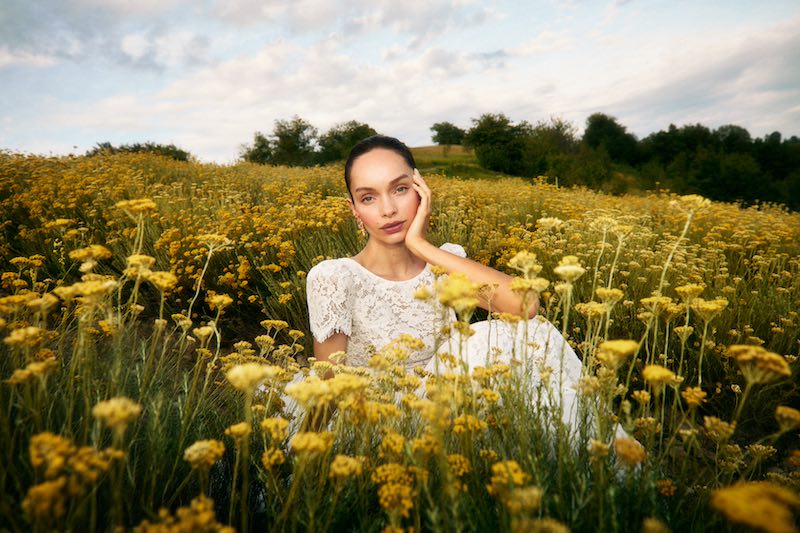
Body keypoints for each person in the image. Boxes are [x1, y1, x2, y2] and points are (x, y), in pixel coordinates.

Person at [304, 135, 589, 434]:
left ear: (420, 191)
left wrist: (420, 245)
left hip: (451, 412)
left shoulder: (444, 264)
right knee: (479, 340)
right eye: (368, 198)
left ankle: (584, 454)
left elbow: (527, 306)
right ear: (354, 210)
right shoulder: (335, 277)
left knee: (530, 333)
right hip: (381, 423)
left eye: (400, 189)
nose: (387, 209)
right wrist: (302, 458)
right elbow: (329, 389)